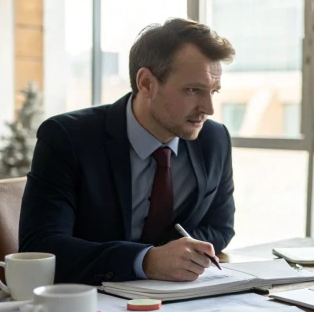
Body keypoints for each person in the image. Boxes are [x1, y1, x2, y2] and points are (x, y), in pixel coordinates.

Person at [19, 18, 236, 284]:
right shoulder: (67, 138)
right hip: (87, 297)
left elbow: (220, 227)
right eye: (193, 90)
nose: (209, 108)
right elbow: (40, 246)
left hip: (175, 295)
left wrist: (172, 256)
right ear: (146, 83)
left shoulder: (214, 139)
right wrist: (145, 260)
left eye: (214, 91)